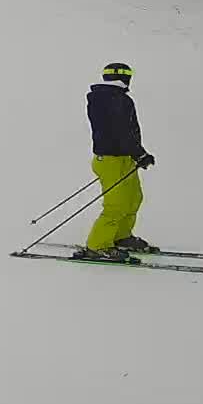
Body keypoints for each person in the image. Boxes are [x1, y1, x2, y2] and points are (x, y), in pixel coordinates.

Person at [73, 62, 157, 262]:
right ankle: (98, 246)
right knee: (117, 204)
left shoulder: (115, 98)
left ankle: (121, 236)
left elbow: (124, 133)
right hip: (110, 160)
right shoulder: (112, 100)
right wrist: (140, 153)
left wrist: (136, 154)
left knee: (133, 198)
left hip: (124, 158)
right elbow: (121, 132)